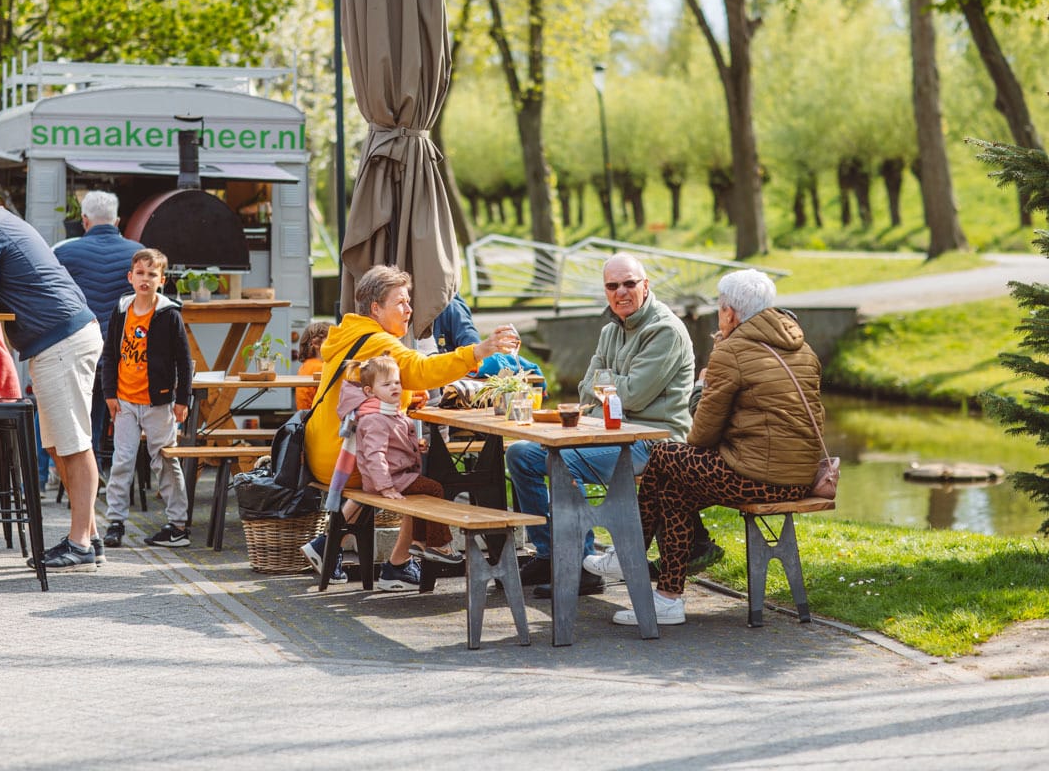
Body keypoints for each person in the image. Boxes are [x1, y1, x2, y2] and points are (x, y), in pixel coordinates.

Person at [589, 269, 825, 627]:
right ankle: (664, 597)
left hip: (757, 477)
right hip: (801, 477)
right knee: (673, 488)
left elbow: (700, 435)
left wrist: (702, 384)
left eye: (719, 308)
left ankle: (633, 558)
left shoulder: (731, 351)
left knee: (666, 454)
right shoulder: (803, 349)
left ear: (730, 313)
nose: (719, 314)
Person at [302, 265, 517, 588]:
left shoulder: (350, 333)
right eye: (400, 303)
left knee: (401, 467)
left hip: (327, 449)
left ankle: (330, 547)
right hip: (343, 457)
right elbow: (420, 369)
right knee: (419, 478)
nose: (409, 309)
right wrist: (477, 351)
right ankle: (405, 559)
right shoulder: (376, 341)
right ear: (376, 308)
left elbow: (382, 383)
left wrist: (404, 397)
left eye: (408, 301)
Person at [0, 161, 105, 572]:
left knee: (74, 441)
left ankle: (80, 542)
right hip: (63, 334)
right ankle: (91, 535)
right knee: (56, 442)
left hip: (60, 339)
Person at [504, 252, 695, 600]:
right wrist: (607, 385)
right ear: (606, 291)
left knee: (559, 461)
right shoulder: (610, 331)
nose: (621, 292)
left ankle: (579, 564)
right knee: (520, 454)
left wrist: (604, 382)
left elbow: (634, 396)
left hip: (655, 444)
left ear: (646, 285)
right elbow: (584, 388)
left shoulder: (664, 330)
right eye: (612, 286)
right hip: (609, 433)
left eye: (629, 283)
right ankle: (550, 555)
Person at [100, 248, 192, 549]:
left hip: (159, 402)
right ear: (130, 277)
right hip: (125, 401)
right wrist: (109, 392)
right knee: (122, 461)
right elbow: (111, 353)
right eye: (140, 273)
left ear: (161, 280)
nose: (145, 279)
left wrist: (182, 399)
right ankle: (115, 521)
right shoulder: (121, 310)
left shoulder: (169, 314)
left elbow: (183, 359)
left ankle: (178, 524)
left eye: (152, 274)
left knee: (165, 461)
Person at [346, 354, 462, 590]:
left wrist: (415, 446)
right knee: (434, 489)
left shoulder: (391, 413)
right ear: (370, 391)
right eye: (387, 384)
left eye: (397, 382)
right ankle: (438, 544)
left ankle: (419, 542)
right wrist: (385, 487)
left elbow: (394, 445)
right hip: (389, 480)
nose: (395, 387)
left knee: (427, 491)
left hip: (398, 475)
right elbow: (374, 455)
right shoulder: (375, 419)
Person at [53, 190, 140, 459]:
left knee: (57, 413)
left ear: (84, 221)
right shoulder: (138, 254)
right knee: (101, 410)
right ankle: (101, 468)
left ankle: (44, 476)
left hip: (77, 352)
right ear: (117, 222)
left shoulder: (64, 252)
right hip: (122, 357)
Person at [294, 321, 331, 411]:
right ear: (315, 344)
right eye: (332, 340)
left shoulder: (307, 365)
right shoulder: (320, 368)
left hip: (306, 417)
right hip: (317, 419)